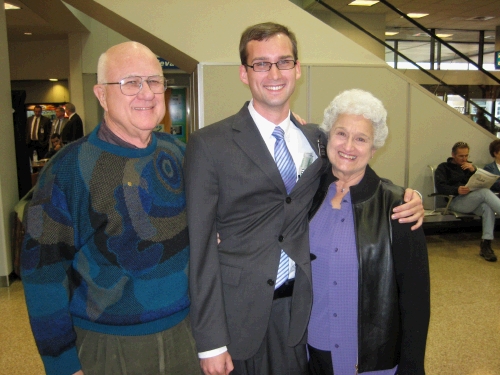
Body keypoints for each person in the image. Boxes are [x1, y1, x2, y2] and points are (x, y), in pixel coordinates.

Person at [184, 22, 424, 375]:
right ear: (243, 73)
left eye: (283, 62)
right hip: (237, 313)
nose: (274, 73)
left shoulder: (315, 139)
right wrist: (210, 341)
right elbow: (200, 247)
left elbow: (353, 165)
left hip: (300, 312)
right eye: (261, 64)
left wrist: (407, 195)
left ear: (297, 69)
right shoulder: (209, 144)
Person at [21, 41, 200, 375]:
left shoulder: (179, 153)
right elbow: (41, 273)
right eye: (131, 83)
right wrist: (62, 364)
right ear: (101, 95)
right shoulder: (68, 170)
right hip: (106, 348)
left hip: (184, 336)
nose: (146, 93)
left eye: (154, 81)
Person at [307, 89, 430, 375]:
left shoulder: (398, 207)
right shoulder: (307, 196)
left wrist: (412, 367)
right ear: (328, 139)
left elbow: (415, 300)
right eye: (341, 134)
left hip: (372, 359)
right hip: (312, 352)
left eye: (361, 138)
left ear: (374, 149)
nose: (348, 146)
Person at [435, 141, 499, 262]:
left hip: (473, 200)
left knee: (487, 207)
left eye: (466, 156)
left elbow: (481, 183)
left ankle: (486, 245)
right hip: (456, 201)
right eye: (461, 156)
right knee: (484, 192)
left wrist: (474, 171)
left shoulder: (469, 167)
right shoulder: (444, 167)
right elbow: (440, 186)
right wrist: (456, 190)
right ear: (453, 155)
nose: (464, 159)